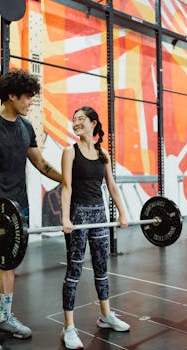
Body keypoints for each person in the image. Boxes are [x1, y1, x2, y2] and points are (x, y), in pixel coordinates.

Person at [0, 69, 62, 350]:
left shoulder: (26, 127)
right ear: (11, 96)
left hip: (17, 206)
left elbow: (40, 163)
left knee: (10, 263)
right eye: (27, 97)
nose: (30, 102)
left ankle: (4, 317)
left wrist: (67, 179)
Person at [60, 106, 130, 349]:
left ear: (92, 123)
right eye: (74, 119)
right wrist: (65, 218)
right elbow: (66, 186)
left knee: (102, 267)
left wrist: (122, 211)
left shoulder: (103, 154)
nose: (76, 122)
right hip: (78, 215)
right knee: (74, 272)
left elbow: (111, 186)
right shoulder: (69, 152)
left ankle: (106, 315)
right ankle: (68, 327)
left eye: (81, 119)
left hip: (99, 214)